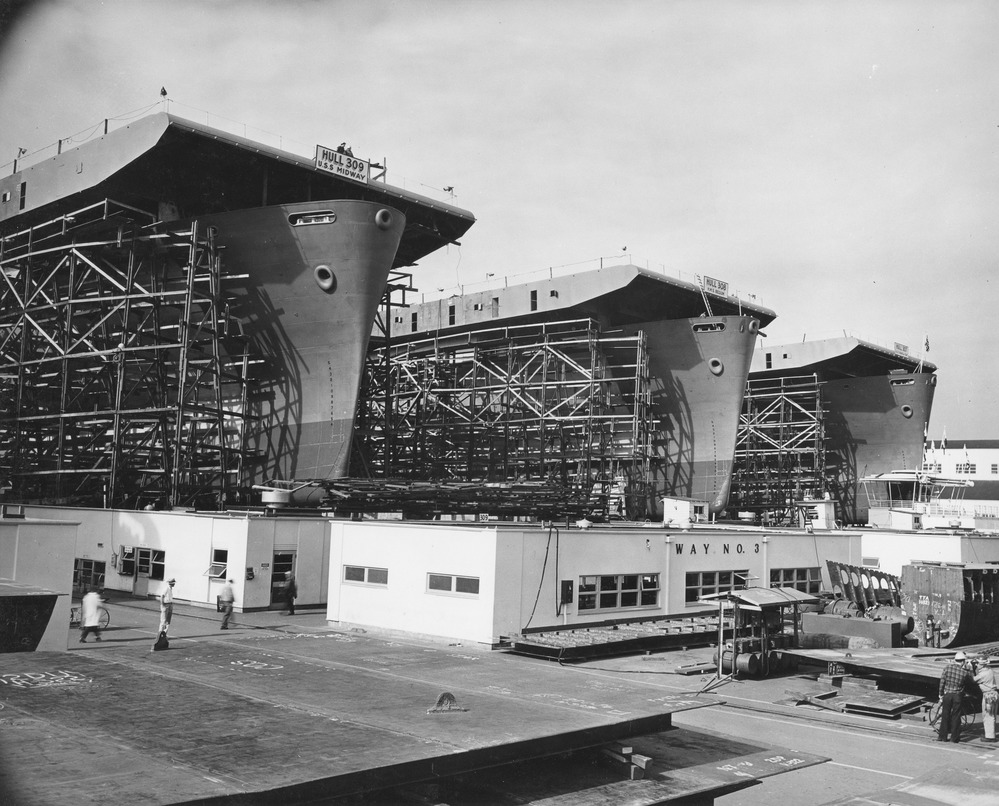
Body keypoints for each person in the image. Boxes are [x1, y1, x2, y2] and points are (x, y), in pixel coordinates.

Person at [938, 650, 972, 743]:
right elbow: (969, 682)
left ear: (955, 660)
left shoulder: (947, 668)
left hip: (947, 695)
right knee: (956, 716)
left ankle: (942, 737)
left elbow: (942, 682)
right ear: (963, 661)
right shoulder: (964, 672)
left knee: (945, 715)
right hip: (957, 696)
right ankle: (954, 738)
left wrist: (940, 694)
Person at [973, 658, 998, 743]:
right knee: (992, 715)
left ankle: (990, 737)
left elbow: (973, 680)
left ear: (982, 665)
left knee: (987, 716)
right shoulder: (989, 670)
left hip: (988, 696)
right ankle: (990, 734)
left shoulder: (982, 675)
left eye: (977, 663)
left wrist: (971, 669)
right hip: (994, 695)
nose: (976, 665)